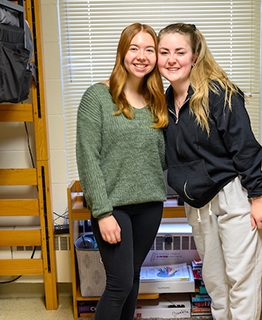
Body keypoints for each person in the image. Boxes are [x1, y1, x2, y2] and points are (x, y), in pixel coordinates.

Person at [158, 23, 262, 320]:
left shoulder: (220, 92)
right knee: (216, 283)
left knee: (241, 280)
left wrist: (257, 197)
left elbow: (245, 146)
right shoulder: (165, 102)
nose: (171, 59)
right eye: (164, 52)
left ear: (194, 55)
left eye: (179, 52)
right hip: (197, 204)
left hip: (233, 195)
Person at [75, 23, 168, 320]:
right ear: (122, 52)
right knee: (119, 284)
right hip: (115, 208)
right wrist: (102, 213)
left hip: (150, 205)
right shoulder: (97, 98)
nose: (142, 56)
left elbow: (161, 158)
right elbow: (88, 157)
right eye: (134, 48)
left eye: (149, 50)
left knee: (133, 279)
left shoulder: (156, 102)